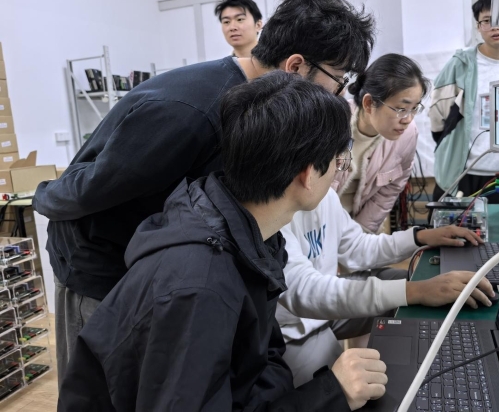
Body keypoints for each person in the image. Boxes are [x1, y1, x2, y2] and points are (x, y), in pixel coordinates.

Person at [33, 0, 375, 386]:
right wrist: (41, 195)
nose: (339, 94)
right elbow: (84, 191)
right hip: (101, 274)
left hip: (163, 274)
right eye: (338, 80)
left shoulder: (257, 106)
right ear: (296, 66)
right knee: (104, 389)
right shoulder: (189, 111)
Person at [58, 72, 387, 412]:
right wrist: (332, 394)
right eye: (339, 161)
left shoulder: (251, 235)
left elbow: (257, 367)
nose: (339, 172)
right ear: (307, 173)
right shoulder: (200, 286)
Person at [276, 191, 494, 387]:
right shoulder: (276, 210)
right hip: (294, 329)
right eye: (340, 164)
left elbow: (356, 247)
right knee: (338, 390)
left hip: (323, 309)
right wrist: (416, 291)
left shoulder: (326, 195)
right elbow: (308, 292)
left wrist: (418, 237)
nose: (344, 170)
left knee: (401, 281)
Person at [429, 0, 499, 202]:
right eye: (487, 21)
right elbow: (437, 118)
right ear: (478, 26)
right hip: (462, 172)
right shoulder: (459, 65)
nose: (495, 27)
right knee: (452, 221)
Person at [332, 54, 427, 233]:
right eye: (401, 109)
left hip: (358, 231)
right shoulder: (333, 123)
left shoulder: (408, 134)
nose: (408, 119)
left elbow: (390, 189)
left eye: (414, 108)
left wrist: (359, 237)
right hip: (317, 227)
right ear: (369, 103)